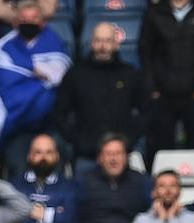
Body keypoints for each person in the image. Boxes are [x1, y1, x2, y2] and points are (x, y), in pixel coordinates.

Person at [0, 0, 71, 176]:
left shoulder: (54, 42)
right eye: (24, 18)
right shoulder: (2, 49)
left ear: (42, 21)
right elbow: (3, 81)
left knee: (57, 157)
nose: (29, 22)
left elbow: (61, 74)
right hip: (16, 128)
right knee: (17, 163)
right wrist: (37, 72)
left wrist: (41, 72)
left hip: (50, 125)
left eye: (34, 18)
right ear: (15, 22)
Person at [53, 23, 146, 176]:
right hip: (86, 155)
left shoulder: (130, 74)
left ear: (116, 43)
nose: (103, 46)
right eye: (98, 40)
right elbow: (59, 113)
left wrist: (129, 140)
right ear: (91, 43)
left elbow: (146, 111)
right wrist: (77, 140)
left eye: (108, 41)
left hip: (123, 154)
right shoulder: (76, 74)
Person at [139, 0, 194, 167]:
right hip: (163, 95)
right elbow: (145, 52)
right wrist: (153, 89)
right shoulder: (155, 12)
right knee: (160, 146)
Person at [69, 133, 151, 223]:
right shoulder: (83, 181)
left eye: (118, 153)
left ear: (126, 157)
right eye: (108, 154)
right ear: (99, 158)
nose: (113, 159)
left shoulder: (141, 182)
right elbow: (72, 218)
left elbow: (151, 218)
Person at [4, 133, 76, 223]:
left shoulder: (69, 187)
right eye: (38, 152)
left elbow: (67, 218)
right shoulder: (15, 186)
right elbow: (12, 218)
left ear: (57, 156)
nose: (43, 157)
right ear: (29, 156)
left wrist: (33, 213)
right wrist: (53, 215)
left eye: (48, 152)